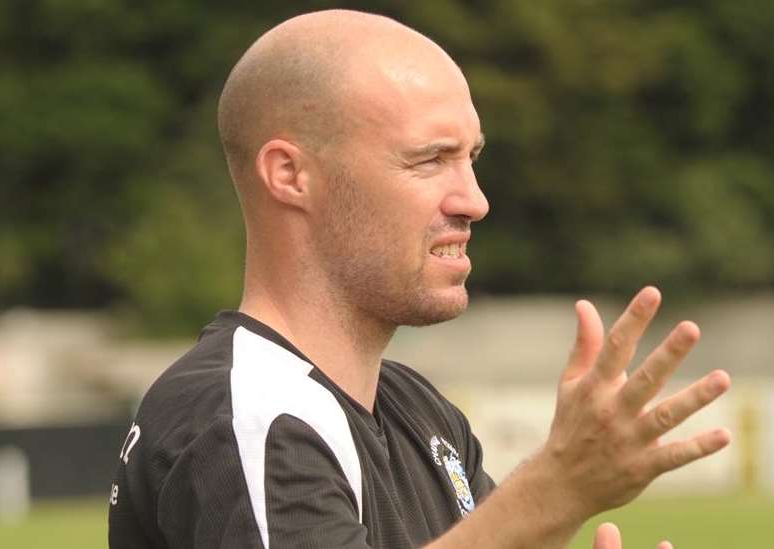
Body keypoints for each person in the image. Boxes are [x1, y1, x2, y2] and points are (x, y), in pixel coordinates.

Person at [108, 9, 731, 549]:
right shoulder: (244, 416)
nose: (475, 200)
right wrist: (559, 488)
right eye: (430, 159)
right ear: (290, 176)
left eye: (471, 158)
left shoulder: (421, 413)